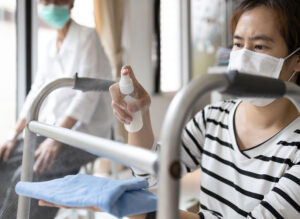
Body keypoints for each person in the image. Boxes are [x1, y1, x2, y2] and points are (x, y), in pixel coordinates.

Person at [40, 0, 300, 218]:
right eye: (238, 44)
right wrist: (137, 118)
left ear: (296, 61)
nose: (244, 56)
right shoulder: (214, 118)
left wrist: (142, 208)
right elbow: (154, 176)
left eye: (260, 47)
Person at [0, 0, 113, 218]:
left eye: (56, 0)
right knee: (4, 161)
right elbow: (36, 91)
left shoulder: (88, 37)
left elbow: (87, 97)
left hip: (86, 134)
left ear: (70, 3)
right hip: (54, 131)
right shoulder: (50, 45)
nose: (51, 6)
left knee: (29, 175)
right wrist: (14, 134)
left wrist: (56, 139)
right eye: (46, 1)